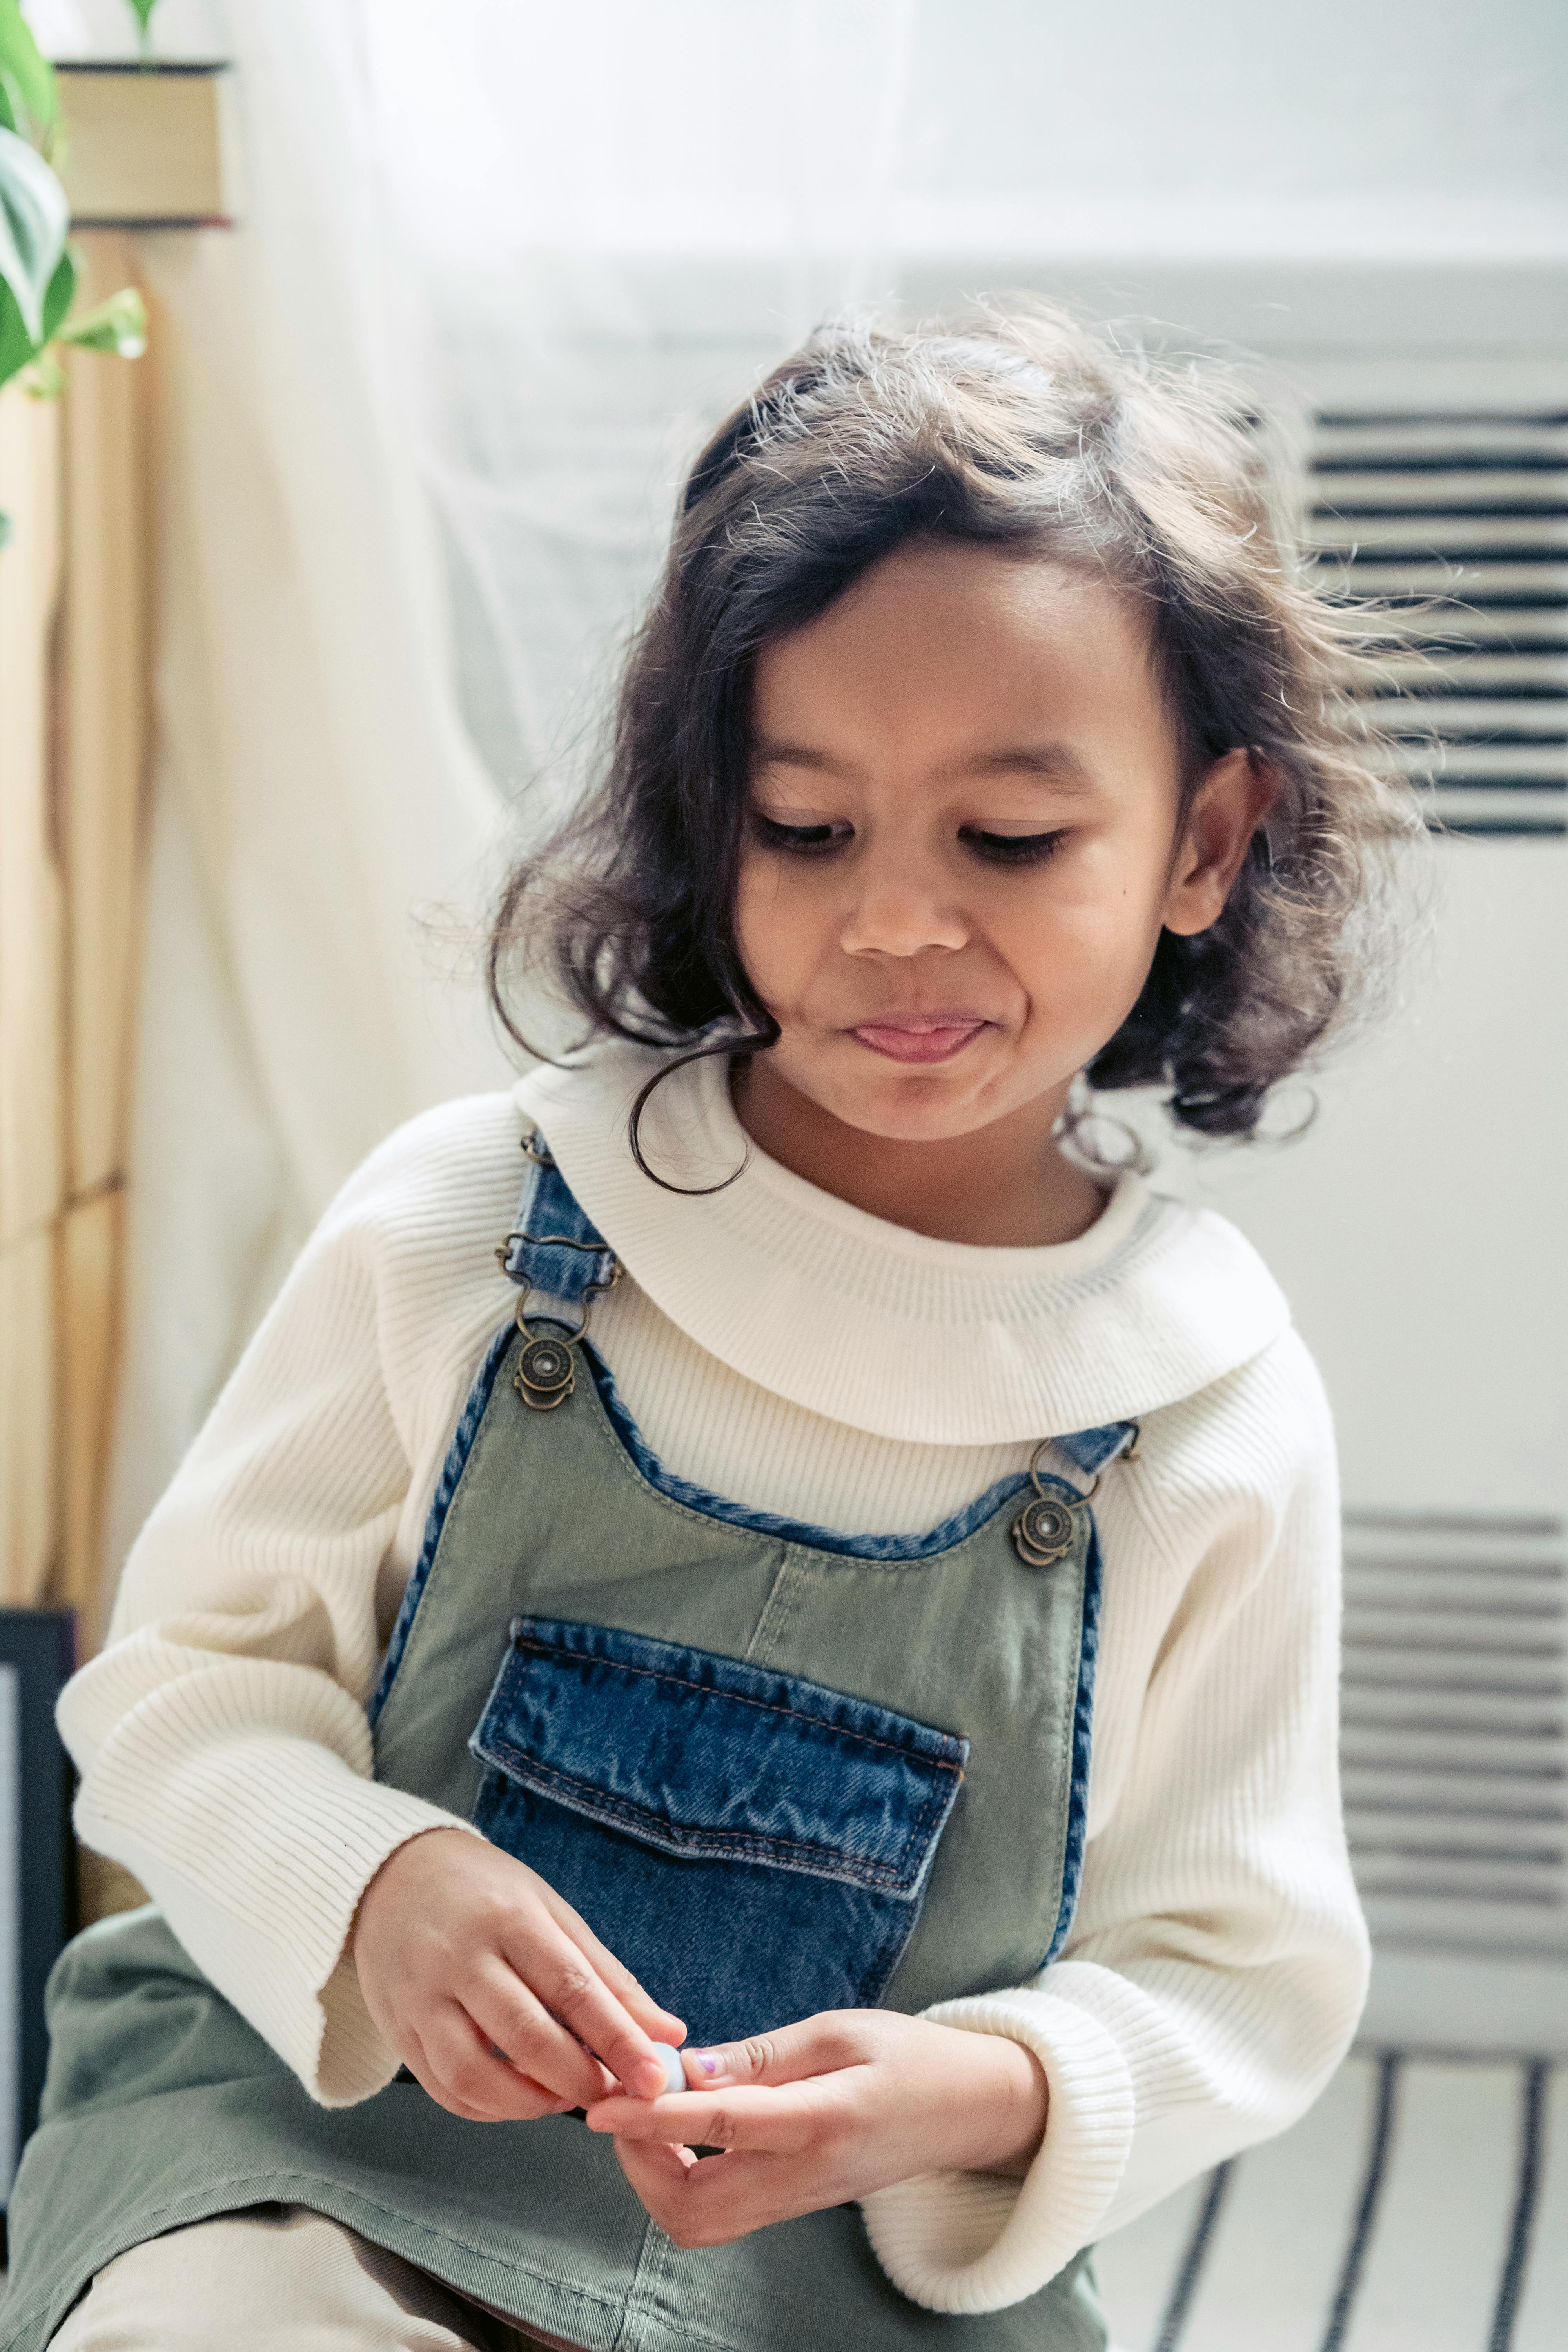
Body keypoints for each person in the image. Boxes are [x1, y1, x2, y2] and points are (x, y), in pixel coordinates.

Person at [7, 305, 1414, 2352]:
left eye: (1011, 839)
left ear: (1203, 841)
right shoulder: (479, 1227)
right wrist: (379, 1886)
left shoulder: (1199, 1410)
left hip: (840, 2280)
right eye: (807, 828)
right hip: (316, 2169)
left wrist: (997, 2088)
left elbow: (1237, 1972)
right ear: (703, 818)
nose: (898, 922)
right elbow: (171, 1702)